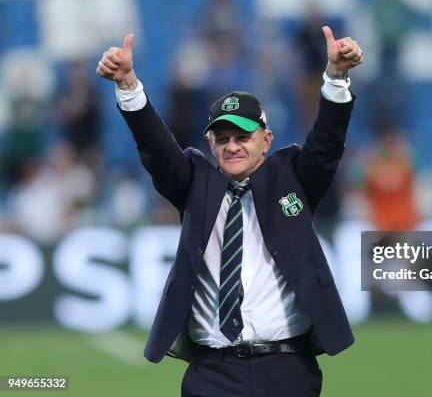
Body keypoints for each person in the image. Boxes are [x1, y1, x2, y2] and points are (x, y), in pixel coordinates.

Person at [96, 26, 363, 396]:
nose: (232, 146)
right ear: (210, 143)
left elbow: (327, 144)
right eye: (222, 138)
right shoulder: (195, 183)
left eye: (243, 136)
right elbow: (156, 149)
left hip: (287, 369)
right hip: (212, 372)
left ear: (266, 140)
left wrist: (335, 78)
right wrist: (128, 86)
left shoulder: (293, 177)